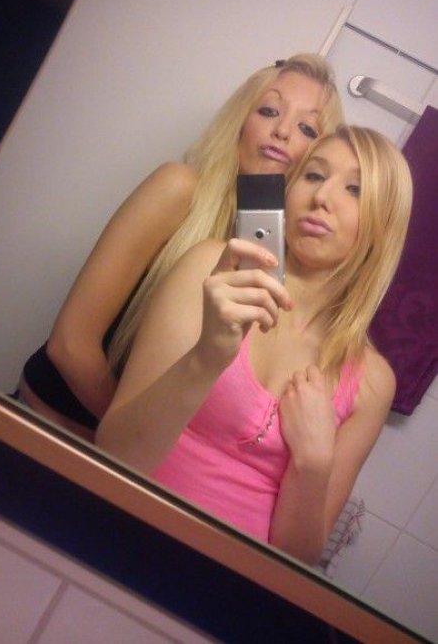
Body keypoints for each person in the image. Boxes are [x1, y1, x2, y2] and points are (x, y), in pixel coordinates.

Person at [95, 125, 413, 565]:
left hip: (228, 581)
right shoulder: (212, 269)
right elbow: (113, 453)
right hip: (118, 530)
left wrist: (314, 461)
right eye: (314, 175)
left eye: (355, 189)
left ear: (384, 226)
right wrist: (207, 357)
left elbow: (296, 562)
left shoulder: (373, 382)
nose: (322, 197)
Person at [19, 53, 344, 440]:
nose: (283, 131)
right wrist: (135, 445)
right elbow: (70, 344)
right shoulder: (179, 188)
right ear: (240, 121)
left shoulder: (287, 256)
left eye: (307, 128)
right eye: (269, 111)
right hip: (42, 430)